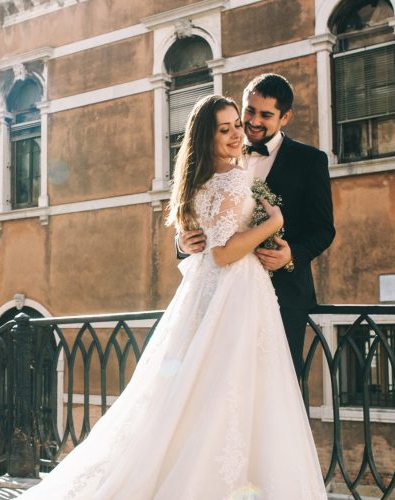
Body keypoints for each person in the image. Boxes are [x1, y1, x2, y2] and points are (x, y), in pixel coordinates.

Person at [18, 95, 326, 499]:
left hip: (233, 292)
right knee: (226, 389)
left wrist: (285, 248)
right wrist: (273, 223)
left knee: (212, 392)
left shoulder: (221, 176)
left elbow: (318, 227)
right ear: (208, 136)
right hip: (234, 292)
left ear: (282, 116)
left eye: (240, 123)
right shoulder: (232, 177)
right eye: (228, 126)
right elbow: (221, 249)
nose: (239, 131)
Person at [178, 73, 335, 378]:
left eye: (266, 115)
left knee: (276, 388)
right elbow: (203, 215)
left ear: (285, 116)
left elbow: (324, 229)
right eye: (249, 111)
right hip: (221, 294)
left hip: (284, 295)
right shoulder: (220, 153)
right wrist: (182, 243)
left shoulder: (310, 161)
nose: (253, 122)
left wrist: (292, 255)